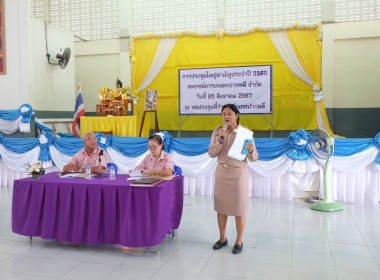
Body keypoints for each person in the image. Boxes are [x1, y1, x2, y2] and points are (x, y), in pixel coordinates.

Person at [208, 103, 259, 254]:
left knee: (239, 209)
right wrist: (220, 141)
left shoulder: (245, 134)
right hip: (222, 173)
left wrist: (250, 151)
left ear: (237, 115)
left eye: (229, 114)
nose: (226, 117)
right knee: (221, 208)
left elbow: (254, 157)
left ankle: (239, 241)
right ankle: (222, 238)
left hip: (238, 175)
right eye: (224, 114)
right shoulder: (218, 131)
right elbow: (211, 153)